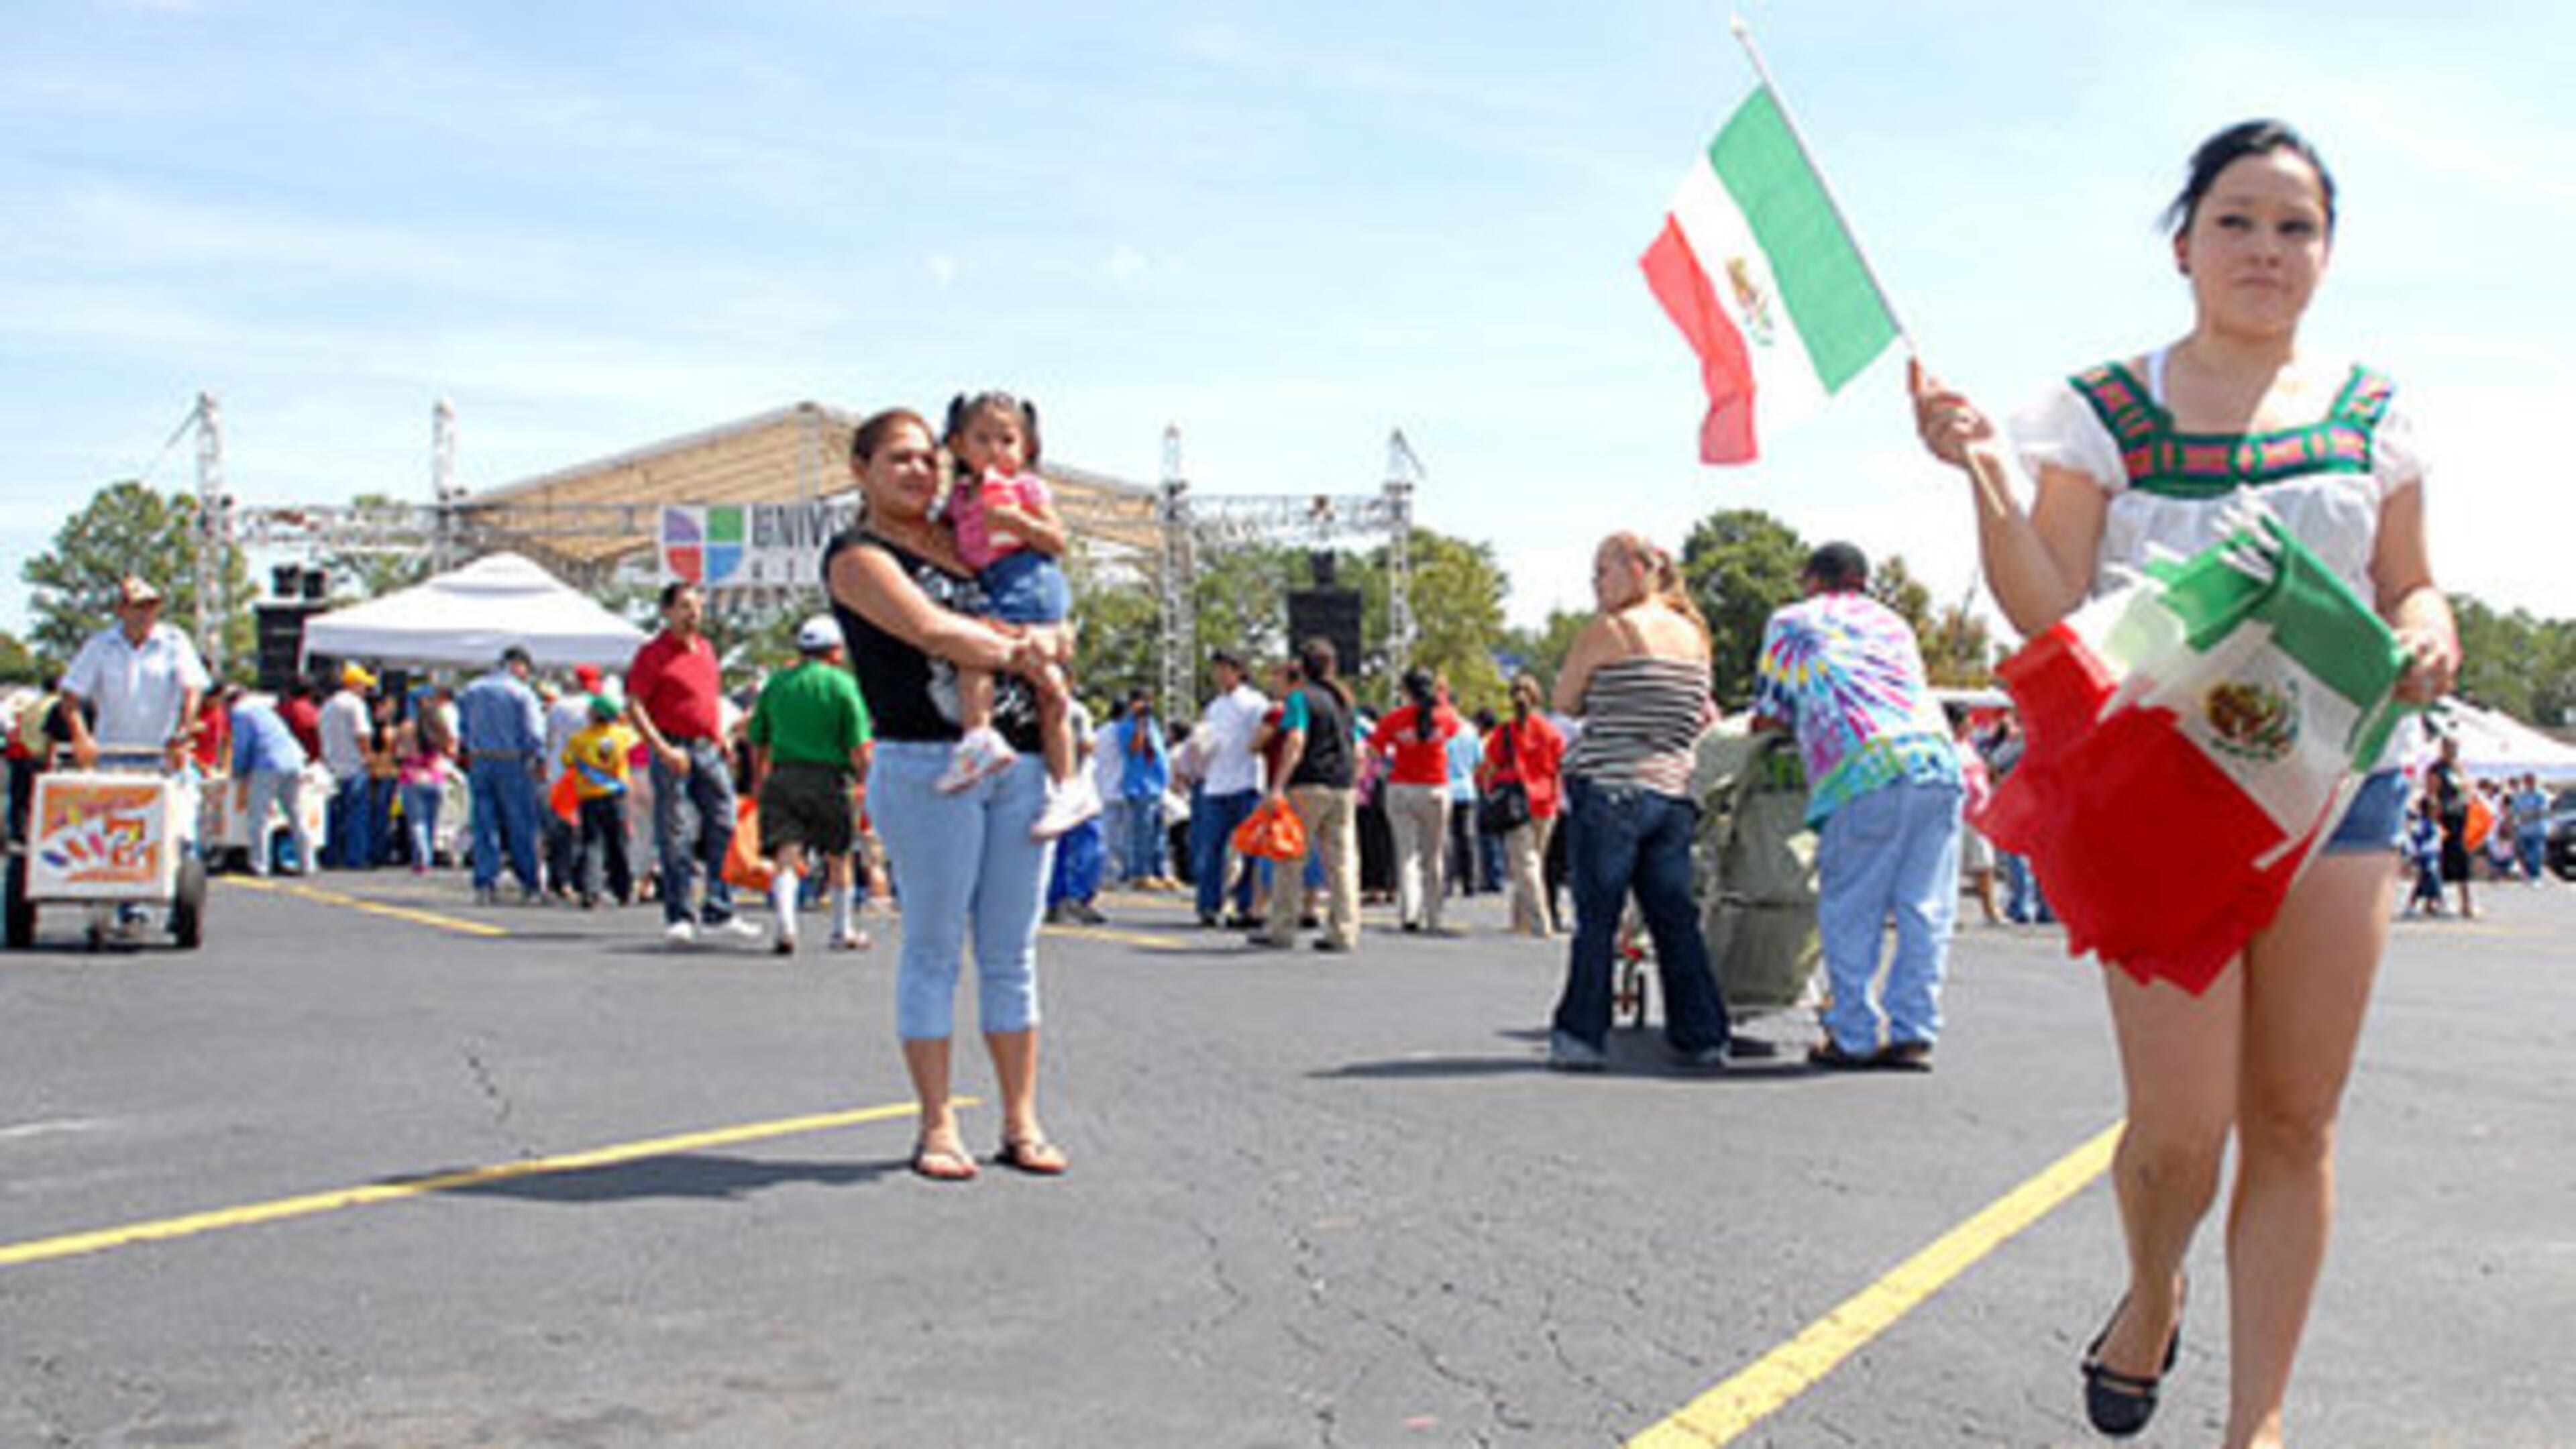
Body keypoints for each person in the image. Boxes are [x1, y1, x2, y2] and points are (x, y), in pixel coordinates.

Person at [1911, 119, 2457, 1447]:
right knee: (2180, 1133)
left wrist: (2433, 628)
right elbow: (2046, 606)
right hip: (2160, 796)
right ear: (2184, 244)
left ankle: (2254, 1422)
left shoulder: (2372, 415)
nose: (2267, 250)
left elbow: (2410, 579)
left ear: (2326, 253)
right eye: (2238, 221)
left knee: (2293, 1116)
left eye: (2296, 226)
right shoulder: (2103, 409)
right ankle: (2150, 1295)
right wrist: (1987, 478)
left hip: (2338, 790)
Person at [826, 407, 1069, 1181]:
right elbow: (935, 632)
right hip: (929, 765)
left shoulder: (970, 535)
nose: (919, 472)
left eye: (929, 458)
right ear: (859, 469)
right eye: (898, 459)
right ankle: (937, 1125)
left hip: (1024, 762)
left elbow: (1054, 607)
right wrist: (1030, 649)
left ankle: (1021, 1122)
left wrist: (1051, 640)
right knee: (933, 950)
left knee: (1011, 952)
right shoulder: (858, 556)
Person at [1752, 542, 1965, 1073]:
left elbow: (1772, 711)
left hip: (1863, 764)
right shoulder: (1896, 625)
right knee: (1925, 907)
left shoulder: (1793, 621)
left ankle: (1853, 1032)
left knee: (1853, 904)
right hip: (1938, 760)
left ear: (1812, 579)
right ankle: (1915, 1030)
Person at [1544, 532, 1732, 1073]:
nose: (1595, 584)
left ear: (1635, 567)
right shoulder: (1695, 636)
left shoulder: (1613, 630)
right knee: (1674, 919)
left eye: (1601, 570)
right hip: (1673, 791)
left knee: (1598, 920)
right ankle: (1702, 1035)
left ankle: (1581, 1036)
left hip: (1610, 786)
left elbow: (1565, 700)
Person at [932, 390, 1099, 840]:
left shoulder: (1025, 487)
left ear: (1027, 447)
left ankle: (982, 739)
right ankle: (1064, 782)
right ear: (958, 445)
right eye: (982, 439)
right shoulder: (960, 497)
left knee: (977, 653)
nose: (995, 450)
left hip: (1026, 582)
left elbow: (1057, 539)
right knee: (1043, 686)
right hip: (993, 583)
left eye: (1007, 440)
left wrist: (1017, 521)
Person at [627, 582, 761, 945]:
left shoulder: (705, 649)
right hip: (673, 746)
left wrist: (721, 739)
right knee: (677, 831)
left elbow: (708, 700)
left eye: (697, 607)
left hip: (709, 748)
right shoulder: (653, 654)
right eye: (685, 607)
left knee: (724, 822)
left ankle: (720, 907)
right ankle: (680, 914)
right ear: (667, 611)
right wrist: (662, 749)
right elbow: (634, 705)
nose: (693, 615)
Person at [747, 614, 874, 955]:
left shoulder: (777, 684)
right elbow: (859, 745)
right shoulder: (842, 685)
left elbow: (757, 738)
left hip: (784, 776)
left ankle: (786, 925)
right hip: (831, 780)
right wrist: (866, 783)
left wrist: (759, 778)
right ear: (835, 650)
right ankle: (842, 929)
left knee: (787, 854)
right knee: (839, 855)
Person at [1256, 637, 1362, 953]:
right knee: (1341, 863)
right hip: (1341, 785)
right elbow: (1358, 749)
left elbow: (1296, 741)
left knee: (1290, 858)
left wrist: (1278, 785)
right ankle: (1344, 930)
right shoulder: (1344, 701)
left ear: (1302, 668)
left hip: (1308, 784)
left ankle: (1282, 927)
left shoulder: (1301, 699)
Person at [60, 576, 209, 775]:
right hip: (110, 754)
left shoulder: (175, 642)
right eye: (138, 607)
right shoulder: (99, 646)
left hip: (163, 755)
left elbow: (193, 689)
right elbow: (70, 695)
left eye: (152, 607)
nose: (146, 614)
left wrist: (182, 734)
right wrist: (81, 737)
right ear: (121, 610)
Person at [1366, 667, 1463, 933]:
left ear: (1405, 691)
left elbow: (1373, 751)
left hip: (1402, 788)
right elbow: (1457, 729)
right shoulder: (1445, 718)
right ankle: (1435, 914)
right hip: (1435, 787)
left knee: (1406, 854)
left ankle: (1409, 912)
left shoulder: (1394, 719)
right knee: (1434, 856)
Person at [455, 645, 545, 904]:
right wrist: (537, 758)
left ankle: (485, 883)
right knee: (521, 824)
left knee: (484, 823)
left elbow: (462, 727)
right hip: (512, 760)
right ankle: (529, 883)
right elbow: (534, 732)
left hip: (480, 759)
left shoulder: (472, 690)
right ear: (517, 666)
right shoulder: (521, 693)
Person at [1482, 673, 1566, 938]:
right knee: (1533, 862)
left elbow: (1490, 767)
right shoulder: (1551, 732)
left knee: (1525, 863)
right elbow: (1562, 765)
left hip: (1517, 802)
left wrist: (1488, 788)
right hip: (1546, 802)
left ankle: (1540, 921)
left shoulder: (1504, 733)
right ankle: (1521, 920)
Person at [1189, 650, 1269, 928]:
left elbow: (1265, 735)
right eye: (1217, 670)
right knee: (1210, 849)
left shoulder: (1255, 703)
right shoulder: (1214, 706)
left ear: (1239, 671)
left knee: (1250, 850)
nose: (1220, 675)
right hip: (1216, 784)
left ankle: (1247, 905)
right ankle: (1208, 904)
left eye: (1226, 669)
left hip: (1247, 783)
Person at [561, 692, 637, 909]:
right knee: (619, 843)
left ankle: (591, 890)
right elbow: (636, 743)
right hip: (616, 794)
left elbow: (567, 761)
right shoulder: (623, 735)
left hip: (589, 795)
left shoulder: (579, 739)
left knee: (592, 843)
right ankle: (623, 889)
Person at [228, 688, 315, 877]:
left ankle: (260, 864)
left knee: (259, 817)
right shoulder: (266, 712)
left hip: (268, 765)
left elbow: (243, 745)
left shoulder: (242, 713)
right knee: (297, 814)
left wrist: (237, 771)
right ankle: (307, 862)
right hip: (294, 761)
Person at [1108, 689, 1175, 889]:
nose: (1145, 706)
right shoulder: (1126, 726)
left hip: (1157, 785)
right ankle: (1140, 873)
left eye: (1148, 701)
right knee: (1141, 832)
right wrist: (1139, 725)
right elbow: (1133, 749)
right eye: (1140, 702)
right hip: (1139, 786)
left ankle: (1159, 871)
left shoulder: (1153, 724)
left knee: (1159, 834)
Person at [316, 662, 375, 869]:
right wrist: (368, 756)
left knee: (333, 815)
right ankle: (356, 857)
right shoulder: (355, 705)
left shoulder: (328, 706)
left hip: (332, 766)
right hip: (353, 765)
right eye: (364, 686)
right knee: (357, 815)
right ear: (354, 685)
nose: (367, 691)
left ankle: (332, 855)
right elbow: (362, 734)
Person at [394, 693, 453, 877]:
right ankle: (428, 855)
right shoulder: (441, 731)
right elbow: (451, 751)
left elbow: (399, 752)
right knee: (431, 821)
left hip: (412, 778)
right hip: (436, 778)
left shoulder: (407, 729)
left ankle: (421, 859)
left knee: (417, 821)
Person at [2425, 733, 2475, 920]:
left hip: (2460, 818)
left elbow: (2467, 789)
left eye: (2455, 748)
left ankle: (2466, 904)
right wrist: (2433, 819)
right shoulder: (2436, 769)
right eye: (2450, 747)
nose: (2453, 751)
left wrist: (2469, 799)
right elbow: (2431, 794)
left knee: (2461, 859)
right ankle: (2431, 901)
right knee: (2437, 860)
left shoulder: (2458, 768)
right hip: (2444, 819)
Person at [2510, 773, 2551, 884]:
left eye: (2530, 781)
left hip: (2537, 830)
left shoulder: (2541, 795)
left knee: (2536, 854)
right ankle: (2528, 876)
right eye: (2526, 781)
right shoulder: (2520, 796)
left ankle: (2536, 876)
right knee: (2525, 854)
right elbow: (2515, 811)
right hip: (2523, 830)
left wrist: (2527, 816)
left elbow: (2544, 812)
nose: (2528, 783)